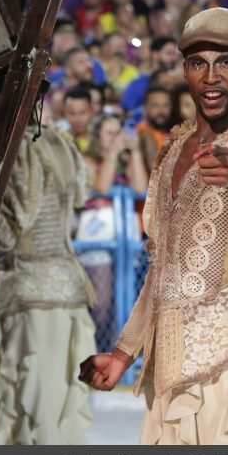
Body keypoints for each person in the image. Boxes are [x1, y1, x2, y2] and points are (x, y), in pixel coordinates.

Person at [79, 7, 228, 445]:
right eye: (199, 63)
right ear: (186, 71)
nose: (212, 76)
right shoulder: (171, 153)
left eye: (226, 62)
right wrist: (123, 354)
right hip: (170, 375)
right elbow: (160, 271)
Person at [0, 121, 97, 445]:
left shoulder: (16, 146)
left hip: (28, 291)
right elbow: (79, 196)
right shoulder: (59, 141)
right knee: (57, 406)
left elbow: (12, 226)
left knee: (32, 409)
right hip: (68, 289)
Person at [77, 115, 149, 353]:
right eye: (109, 133)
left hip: (125, 242)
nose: (115, 138)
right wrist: (112, 154)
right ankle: (94, 349)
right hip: (97, 240)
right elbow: (101, 187)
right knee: (101, 302)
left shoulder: (126, 161)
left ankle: (114, 354)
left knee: (123, 302)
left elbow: (140, 188)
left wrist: (135, 151)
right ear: (98, 136)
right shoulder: (88, 161)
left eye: (118, 133)